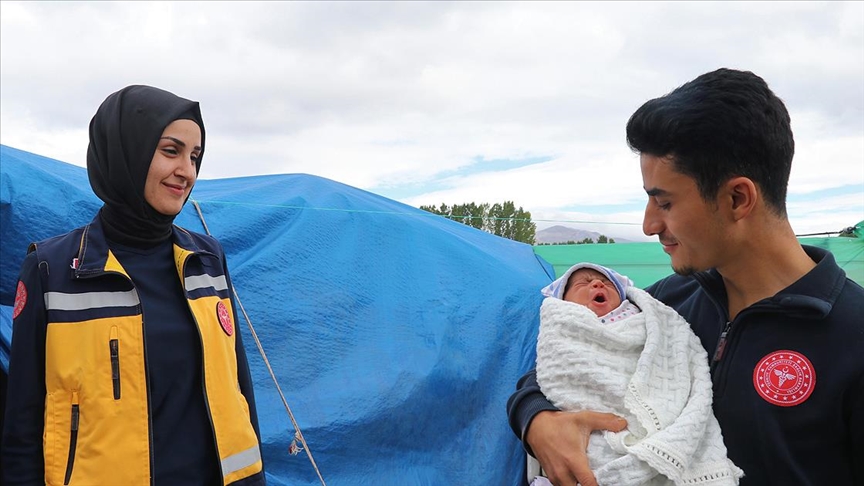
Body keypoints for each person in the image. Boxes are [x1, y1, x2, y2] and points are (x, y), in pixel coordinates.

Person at [507, 68, 864, 486]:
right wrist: (536, 419)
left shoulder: (853, 338)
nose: (649, 225)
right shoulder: (663, 304)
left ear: (737, 198)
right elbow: (566, 355)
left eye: (664, 203)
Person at [1, 85, 266, 485]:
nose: (187, 171)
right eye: (171, 151)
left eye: (195, 157)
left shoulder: (207, 258)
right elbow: (23, 424)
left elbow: (238, 387)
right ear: (126, 151)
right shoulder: (51, 269)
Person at [529, 263, 741, 486]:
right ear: (563, 301)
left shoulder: (645, 315)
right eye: (584, 283)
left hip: (661, 430)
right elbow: (548, 370)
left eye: (608, 283)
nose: (598, 283)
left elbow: (675, 355)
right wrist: (535, 416)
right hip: (590, 437)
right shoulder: (567, 326)